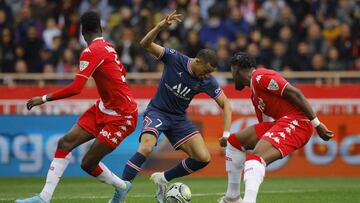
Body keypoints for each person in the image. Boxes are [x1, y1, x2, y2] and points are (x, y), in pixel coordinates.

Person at [15, 11, 138, 203]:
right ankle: (43, 198)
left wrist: (44, 98)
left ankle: (122, 187)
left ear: (82, 33)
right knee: (65, 143)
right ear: (101, 28)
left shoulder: (91, 52)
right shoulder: (109, 47)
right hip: (105, 108)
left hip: (123, 115)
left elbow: (76, 88)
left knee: (88, 163)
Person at [112, 11, 232, 203]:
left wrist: (226, 134)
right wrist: (160, 27)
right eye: (206, 70)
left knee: (203, 157)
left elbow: (226, 104)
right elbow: (144, 44)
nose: (206, 75)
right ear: (197, 61)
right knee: (147, 147)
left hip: (178, 119)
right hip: (158, 112)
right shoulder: (175, 58)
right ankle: (119, 195)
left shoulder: (207, 81)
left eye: (210, 73)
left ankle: (163, 178)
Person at [218, 52, 334, 203]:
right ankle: (232, 197)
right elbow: (265, 125)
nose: (232, 76)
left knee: (255, 158)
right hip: (282, 122)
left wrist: (317, 124)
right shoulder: (254, 95)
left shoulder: (261, 77)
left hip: (299, 122)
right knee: (234, 143)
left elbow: (295, 93)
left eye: (232, 72)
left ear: (236, 70)